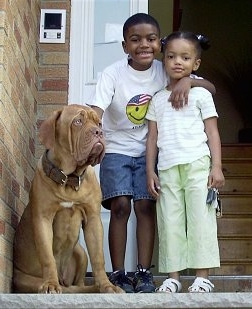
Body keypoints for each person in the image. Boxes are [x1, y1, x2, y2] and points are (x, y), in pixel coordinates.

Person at [89, 14, 216, 293]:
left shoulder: (165, 67)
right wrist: (88, 138)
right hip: (117, 149)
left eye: (150, 39)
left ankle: (144, 273)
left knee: (145, 207)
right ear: (124, 46)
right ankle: (119, 273)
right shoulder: (113, 74)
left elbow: (209, 87)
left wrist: (189, 83)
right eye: (135, 40)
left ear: (159, 44)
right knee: (120, 206)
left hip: (150, 150)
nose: (143, 45)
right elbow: (95, 112)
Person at [146, 31, 225, 293]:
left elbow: (212, 132)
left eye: (185, 57)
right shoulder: (157, 99)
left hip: (198, 165)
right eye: (171, 56)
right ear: (163, 60)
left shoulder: (202, 95)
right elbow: (152, 138)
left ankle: (202, 276)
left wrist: (216, 167)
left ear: (196, 64)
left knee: (201, 218)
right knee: (170, 221)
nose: (177, 62)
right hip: (167, 168)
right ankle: (173, 277)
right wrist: (150, 171)